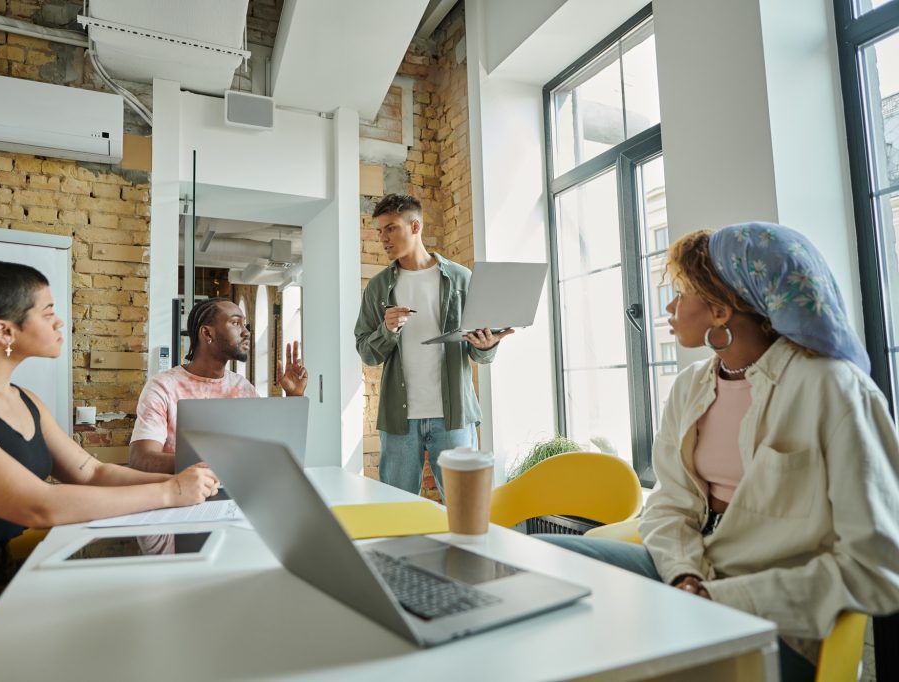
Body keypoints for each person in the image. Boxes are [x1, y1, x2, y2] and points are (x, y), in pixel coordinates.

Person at [538, 222, 899, 682]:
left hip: (776, 619)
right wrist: (684, 576)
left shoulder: (833, 389)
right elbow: (670, 502)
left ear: (721, 310)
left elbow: (878, 569)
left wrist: (716, 599)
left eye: (681, 293)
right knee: (542, 562)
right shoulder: (691, 386)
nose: (669, 307)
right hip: (690, 574)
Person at [0, 261, 217, 601]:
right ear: (4, 332)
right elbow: (39, 507)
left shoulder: (25, 400)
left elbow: (92, 473)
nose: (59, 321)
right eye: (47, 311)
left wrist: (189, 480)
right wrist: (171, 492)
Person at [354, 194, 512, 496]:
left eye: (391, 229)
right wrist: (386, 331)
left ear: (415, 226)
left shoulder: (461, 279)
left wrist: (487, 344)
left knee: (466, 505)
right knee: (397, 509)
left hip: (455, 418)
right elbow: (366, 352)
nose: (383, 239)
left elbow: (479, 353)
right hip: (399, 420)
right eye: (380, 231)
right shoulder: (377, 288)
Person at [128, 297, 307, 474]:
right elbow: (141, 458)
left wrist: (293, 397)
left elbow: (271, 447)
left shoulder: (243, 387)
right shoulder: (163, 387)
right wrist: (215, 465)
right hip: (183, 495)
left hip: (238, 491)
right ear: (207, 333)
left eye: (245, 325)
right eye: (236, 323)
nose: (246, 332)